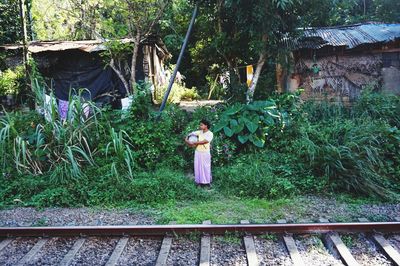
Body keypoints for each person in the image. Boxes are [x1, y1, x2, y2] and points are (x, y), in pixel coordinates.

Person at [185, 119, 214, 188]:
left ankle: (207, 182)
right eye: (200, 125)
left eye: (202, 125)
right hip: (198, 152)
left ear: (206, 126)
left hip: (205, 153)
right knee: (198, 167)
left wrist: (193, 142)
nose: (200, 126)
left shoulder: (210, 134)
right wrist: (187, 139)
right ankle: (199, 182)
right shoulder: (199, 132)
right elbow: (190, 134)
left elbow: (204, 141)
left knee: (206, 167)